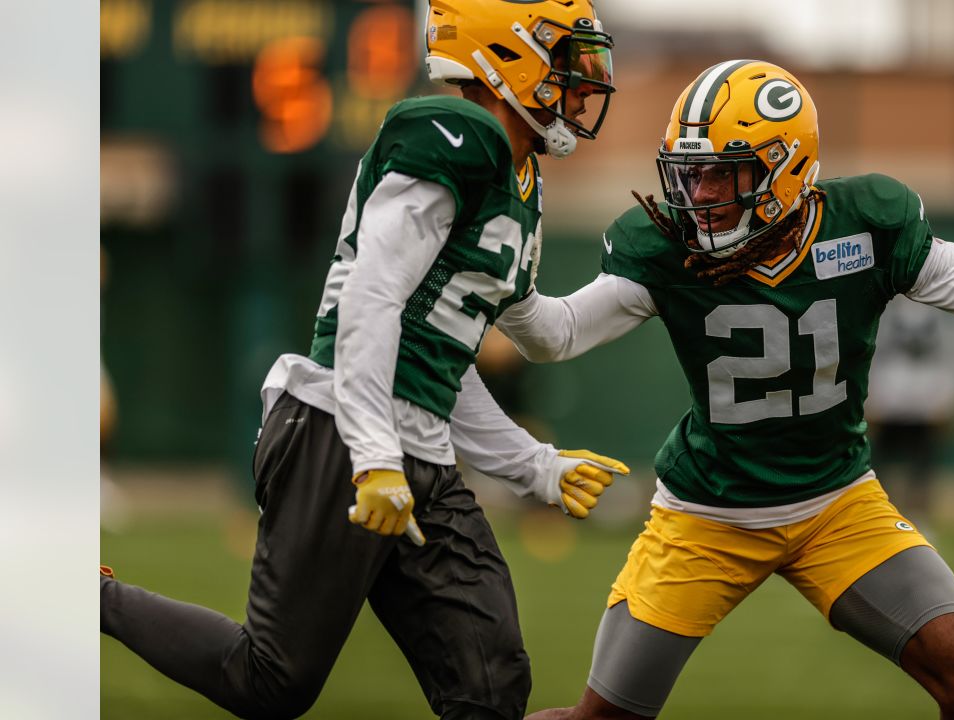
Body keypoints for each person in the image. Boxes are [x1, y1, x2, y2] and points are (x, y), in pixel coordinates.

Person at [492, 60, 954, 719]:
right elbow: (555, 335)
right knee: (605, 714)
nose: (697, 197)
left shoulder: (865, 229)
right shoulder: (666, 245)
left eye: (720, 177)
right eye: (690, 174)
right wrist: (502, 279)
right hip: (709, 514)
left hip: (837, 505)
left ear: (786, 171)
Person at [99, 3, 628, 719]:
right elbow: (372, 295)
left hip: (419, 453)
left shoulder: (518, 177)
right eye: (564, 58)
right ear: (506, 57)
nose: (580, 82)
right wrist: (374, 455)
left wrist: (539, 463)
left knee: (490, 687)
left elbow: (471, 349)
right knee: (270, 680)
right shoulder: (460, 133)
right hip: (339, 433)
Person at [865, 295, 954, 531]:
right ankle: (884, 523)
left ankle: (919, 524)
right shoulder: (884, 304)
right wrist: (869, 397)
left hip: (927, 403)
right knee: (882, 470)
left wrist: (952, 398)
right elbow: (872, 350)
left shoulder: (942, 307)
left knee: (922, 469)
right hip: (890, 402)